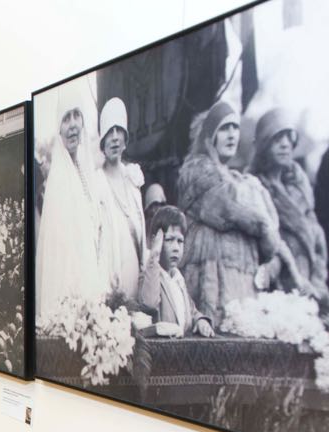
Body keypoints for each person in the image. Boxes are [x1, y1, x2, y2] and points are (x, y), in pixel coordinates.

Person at [178, 101, 308, 326]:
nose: (231, 134)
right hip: (207, 286)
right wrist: (264, 227)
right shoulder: (197, 171)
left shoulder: (246, 182)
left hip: (243, 288)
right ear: (211, 136)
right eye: (224, 128)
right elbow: (229, 207)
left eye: (235, 128)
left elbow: (271, 235)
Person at [36, 82, 112, 318]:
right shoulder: (59, 180)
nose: (72, 125)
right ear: (59, 128)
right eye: (66, 118)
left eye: (76, 116)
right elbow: (61, 253)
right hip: (70, 294)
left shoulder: (84, 170)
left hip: (90, 284)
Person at [250, 107, 329, 312]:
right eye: (277, 138)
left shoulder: (301, 189)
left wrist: (318, 286)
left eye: (289, 137)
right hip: (278, 297)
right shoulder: (253, 188)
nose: (285, 144)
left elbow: (318, 241)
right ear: (264, 144)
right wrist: (295, 280)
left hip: (312, 293)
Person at [138, 206, 215, 338]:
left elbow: (192, 311)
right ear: (156, 240)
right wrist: (154, 253)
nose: (176, 248)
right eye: (169, 240)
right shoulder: (149, 277)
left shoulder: (178, 279)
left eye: (180, 241)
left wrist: (201, 320)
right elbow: (149, 304)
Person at [98, 97, 146, 301]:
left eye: (119, 131)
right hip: (108, 278)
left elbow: (141, 231)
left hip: (135, 274)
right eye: (109, 131)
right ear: (102, 140)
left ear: (125, 139)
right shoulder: (96, 182)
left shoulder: (133, 180)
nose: (115, 137)